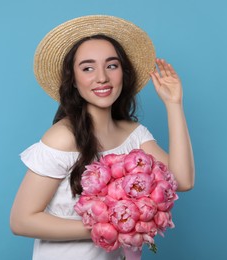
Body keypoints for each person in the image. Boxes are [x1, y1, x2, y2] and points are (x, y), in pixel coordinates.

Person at [10, 15, 195, 260]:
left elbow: (182, 180)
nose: (102, 78)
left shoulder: (134, 135)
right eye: (87, 68)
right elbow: (22, 221)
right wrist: (113, 225)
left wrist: (174, 104)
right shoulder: (63, 138)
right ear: (73, 81)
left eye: (112, 65)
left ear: (123, 72)